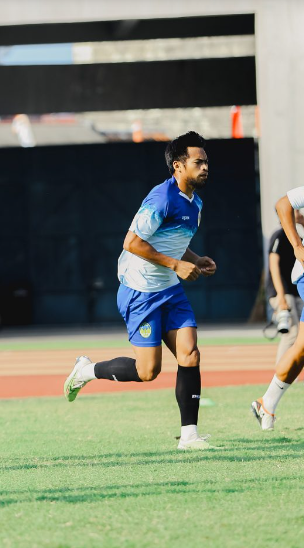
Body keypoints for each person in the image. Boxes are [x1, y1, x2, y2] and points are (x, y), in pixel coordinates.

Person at [63, 131, 217, 450]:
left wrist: (195, 258)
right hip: (141, 292)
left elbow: (174, 241)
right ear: (178, 166)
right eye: (198, 162)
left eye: (206, 162)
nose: (205, 167)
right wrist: (176, 265)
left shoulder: (196, 202)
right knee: (148, 372)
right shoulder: (161, 198)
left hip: (170, 291)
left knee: (190, 353)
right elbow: (131, 243)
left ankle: (189, 436)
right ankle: (86, 370)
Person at [251, 192, 304, 430]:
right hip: (298, 281)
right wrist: (298, 246)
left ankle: (267, 402)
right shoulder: (277, 236)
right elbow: (283, 203)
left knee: (301, 349)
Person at [265, 210, 304, 363]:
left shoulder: (298, 238)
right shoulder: (279, 236)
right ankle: (282, 373)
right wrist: (281, 296)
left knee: (300, 334)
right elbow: (273, 266)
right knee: (292, 332)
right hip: (282, 292)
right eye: (295, 210)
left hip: (296, 291)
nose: (299, 212)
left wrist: (302, 222)